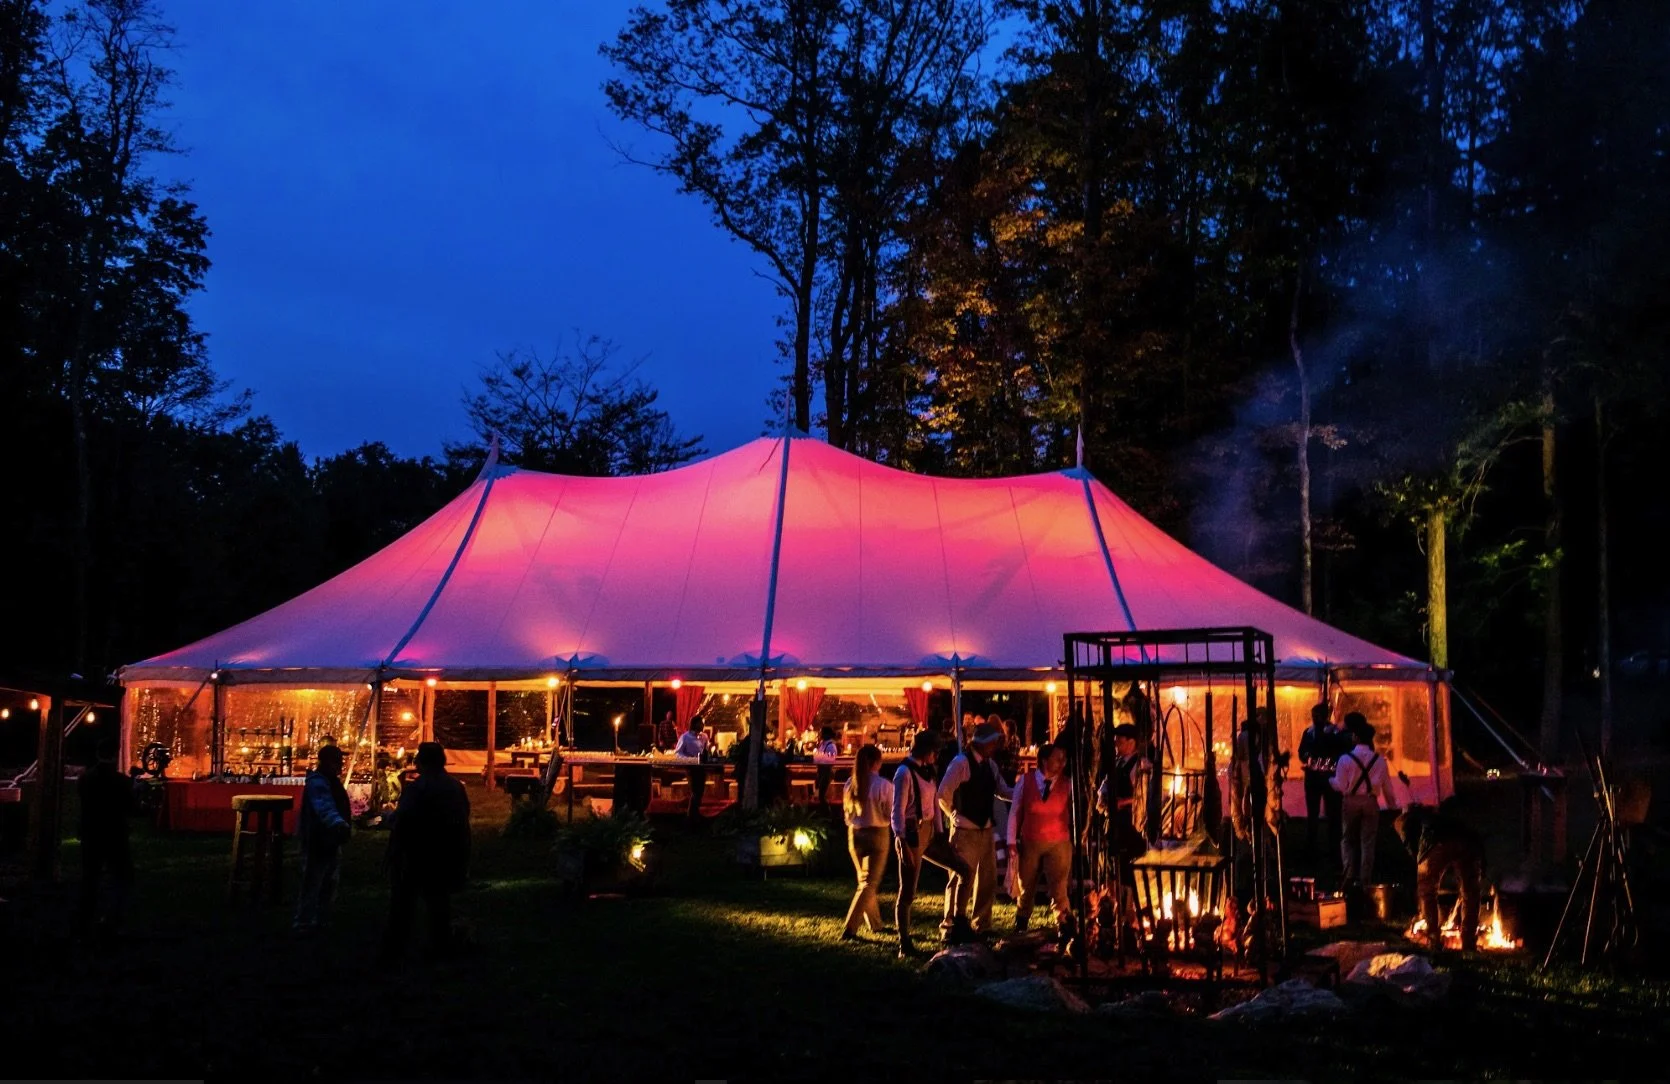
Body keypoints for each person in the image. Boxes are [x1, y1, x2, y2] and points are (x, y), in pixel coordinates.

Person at [379, 742, 471, 962]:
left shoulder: (418, 788)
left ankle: (396, 948)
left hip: (419, 852)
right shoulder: (455, 787)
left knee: (404, 900)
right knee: (438, 901)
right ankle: (441, 944)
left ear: (423, 762)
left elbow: (404, 819)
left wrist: (386, 816)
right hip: (447, 851)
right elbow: (463, 818)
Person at [891, 730, 972, 956]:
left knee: (964, 868)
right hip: (911, 833)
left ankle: (958, 923)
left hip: (929, 832)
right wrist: (901, 840)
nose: (937, 756)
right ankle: (904, 943)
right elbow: (896, 810)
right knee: (907, 891)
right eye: (935, 752)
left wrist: (939, 831)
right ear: (926, 751)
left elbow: (935, 803)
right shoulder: (904, 773)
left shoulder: (929, 771)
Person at [938, 721, 1014, 938]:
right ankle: (950, 925)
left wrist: (1020, 793)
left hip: (985, 829)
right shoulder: (961, 762)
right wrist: (951, 813)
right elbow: (944, 792)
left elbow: (1001, 789)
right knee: (959, 878)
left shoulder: (990, 765)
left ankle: (982, 923)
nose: (996, 746)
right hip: (966, 830)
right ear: (984, 743)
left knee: (987, 880)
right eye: (993, 742)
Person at [1396, 802, 1484, 953]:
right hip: (1466, 839)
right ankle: (1469, 942)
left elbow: (1410, 841)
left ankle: (1433, 940)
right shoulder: (1451, 803)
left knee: (1427, 891)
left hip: (1436, 841)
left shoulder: (1406, 818)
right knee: (1470, 892)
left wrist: (1420, 859)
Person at [1010, 743, 1073, 933]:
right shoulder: (1026, 781)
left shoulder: (1067, 783)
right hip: (1031, 840)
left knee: (1059, 887)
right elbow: (1015, 811)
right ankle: (1021, 922)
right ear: (1045, 761)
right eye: (1057, 759)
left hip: (1059, 841)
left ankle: (1064, 924)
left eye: (1063, 759)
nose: (1062, 763)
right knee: (1026, 885)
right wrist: (1011, 841)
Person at [1331, 712, 1396, 891]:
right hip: (1370, 802)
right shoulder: (1380, 761)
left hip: (1350, 801)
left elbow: (1340, 785)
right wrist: (1392, 807)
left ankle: (1349, 873)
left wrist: (1329, 781)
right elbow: (1387, 787)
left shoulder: (1345, 759)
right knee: (1367, 841)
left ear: (1356, 737)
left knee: (1347, 839)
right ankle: (1365, 878)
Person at [77, 740, 135, 935]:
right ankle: (113, 917)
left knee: (90, 876)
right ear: (115, 754)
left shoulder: (85, 779)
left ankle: (86, 917)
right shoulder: (122, 781)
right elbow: (132, 808)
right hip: (115, 833)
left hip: (92, 832)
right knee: (119, 876)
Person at [293, 743, 351, 936]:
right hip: (318, 838)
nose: (340, 766)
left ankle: (320, 918)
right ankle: (304, 921)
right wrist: (338, 823)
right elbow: (324, 806)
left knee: (328, 880)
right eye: (337, 762)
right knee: (314, 880)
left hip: (328, 839)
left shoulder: (326, 781)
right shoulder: (319, 783)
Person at [840, 744, 894, 941]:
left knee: (864, 881)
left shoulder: (850, 784)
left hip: (855, 834)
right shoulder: (883, 785)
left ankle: (875, 923)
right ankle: (850, 927)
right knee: (869, 884)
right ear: (875, 762)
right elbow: (890, 813)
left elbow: (847, 815)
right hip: (877, 833)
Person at [1298, 703, 1345, 859]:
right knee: (1313, 813)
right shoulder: (1309, 732)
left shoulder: (1335, 732)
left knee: (1333, 814)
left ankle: (1334, 849)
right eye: (1313, 716)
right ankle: (1311, 848)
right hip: (1313, 777)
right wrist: (1308, 757)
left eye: (1317, 716)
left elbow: (1340, 751)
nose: (1314, 719)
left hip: (1330, 777)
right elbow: (1301, 752)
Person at [674, 715, 710, 820]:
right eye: (701, 723)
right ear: (695, 724)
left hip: (701, 767)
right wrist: (690, 759)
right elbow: (678, 753)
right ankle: (691, 816)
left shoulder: (704, 736)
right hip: (691, 767)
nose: (703, 725)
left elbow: (706, 749)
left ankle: (695, 813)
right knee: (695, 790)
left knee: (700, 790)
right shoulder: (685, 737)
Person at [813, 726, 839, 804]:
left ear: (827, 734)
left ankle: (826, 811)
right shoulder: (822, 744)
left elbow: (831, 760)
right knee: (818, 793)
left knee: (822, 794)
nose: (820, 734)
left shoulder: (831, 746)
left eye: (821, 732)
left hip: (826, 772)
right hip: (820, 771)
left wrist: (819, 758)